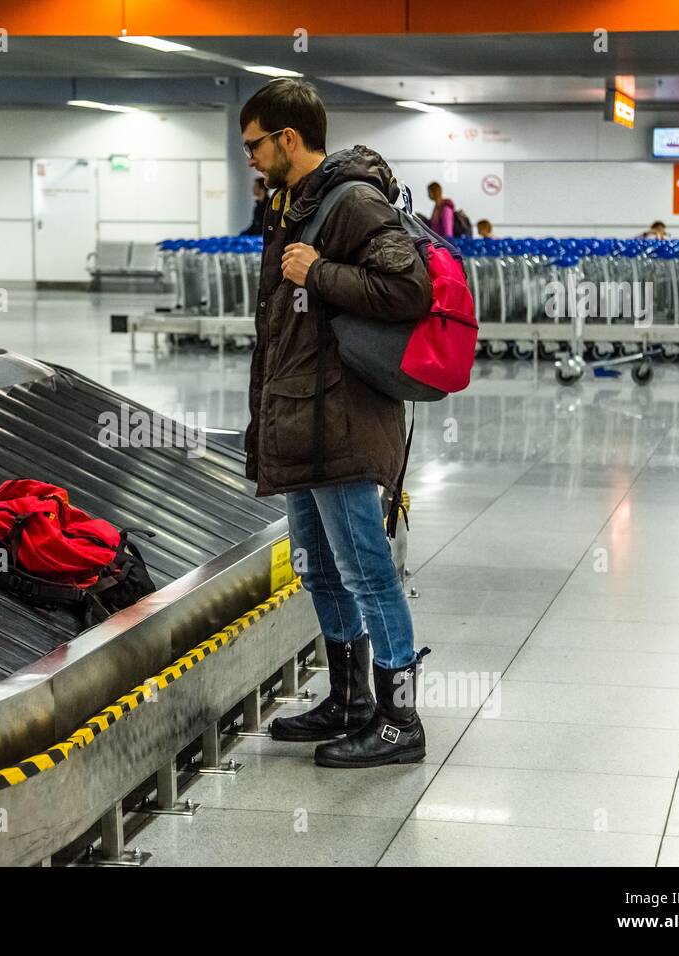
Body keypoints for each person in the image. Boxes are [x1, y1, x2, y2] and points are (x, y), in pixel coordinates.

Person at [240, 77, 432, 768]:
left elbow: (407, 288)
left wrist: (318, 270)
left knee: (367, 571)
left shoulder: (350, 200)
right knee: (318, 569)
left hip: (345, 420)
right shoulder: (293, 203)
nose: (251, 158)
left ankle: (398, 719)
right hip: (300, 417)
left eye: (255, 144)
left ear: (289, 138)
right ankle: (350, 702)